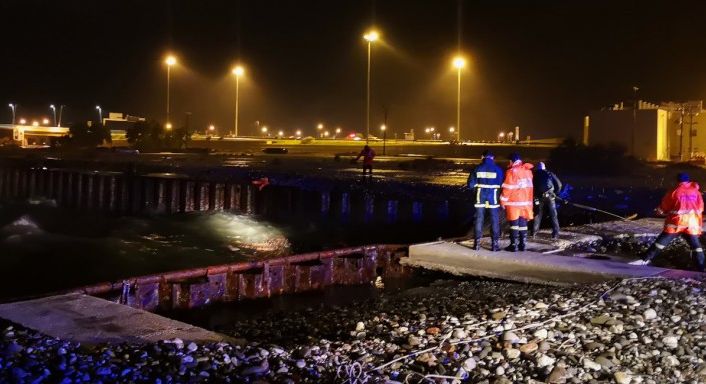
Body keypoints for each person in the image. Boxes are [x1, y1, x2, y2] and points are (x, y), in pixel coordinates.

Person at [629, 172, 705, 271]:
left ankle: (645, 259)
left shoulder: (674, 191)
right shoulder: (696, 192)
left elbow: (664, 207)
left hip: (676, 223)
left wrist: (660, 210)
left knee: (661, 242)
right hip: (692, 224)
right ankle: (701, 267)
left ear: (677, 180)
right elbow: (701, 207)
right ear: (689, 180)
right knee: (696, 246)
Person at [467, 150, 504, 251]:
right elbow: (502, 184)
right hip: (494, 197)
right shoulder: (498, 169)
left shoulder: (477, 168)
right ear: (492, 158)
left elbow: (470, 185)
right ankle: (494, 245)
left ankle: (477, 244)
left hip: (480, 196)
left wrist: (477, 189)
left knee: (479, 219)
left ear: (482, 157)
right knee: (494, 220)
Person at [500, 153, 534, 252]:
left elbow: (508, 188)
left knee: (514, 224)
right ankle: (522, 244)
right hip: (525, 203)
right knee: (523, 224)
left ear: (512, 161)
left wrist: (502, 200)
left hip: (514, 203)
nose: (508, 163)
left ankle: (513, 245)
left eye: (509, 161)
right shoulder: (528, 172)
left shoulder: (512, 172)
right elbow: (530, 188)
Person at [532, 162, 562, 239]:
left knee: (538, 214)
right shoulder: (550, 173)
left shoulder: (534, 174)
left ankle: (534, 232)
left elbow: (531, 186)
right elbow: (559, 185)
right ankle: (556, 233)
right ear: (544, 167)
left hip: (538, 197)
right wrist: (555, 193)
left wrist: (534, 195)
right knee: (553, 215)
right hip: (550, 196)